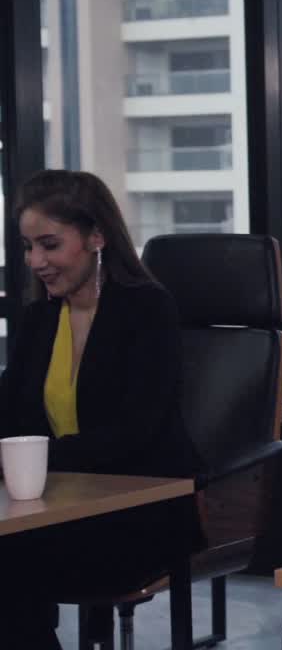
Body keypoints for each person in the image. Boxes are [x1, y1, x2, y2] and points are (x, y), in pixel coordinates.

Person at [0, 169, 199, 649]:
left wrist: (42, 463)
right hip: (56, 505)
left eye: (49, 245)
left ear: (96, 237)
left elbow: (136, 431)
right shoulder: (39, 317)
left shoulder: (148, 310)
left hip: (137, 512)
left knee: (10, 564)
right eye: (28, 247)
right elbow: (10, 412)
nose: (36, 261)